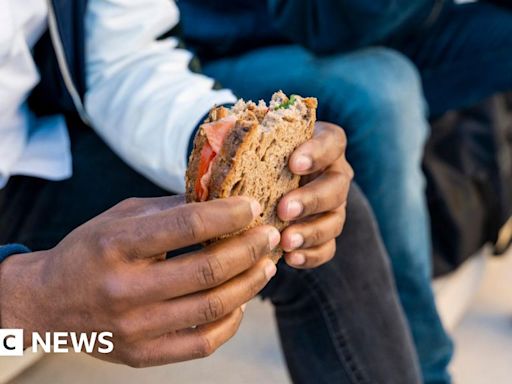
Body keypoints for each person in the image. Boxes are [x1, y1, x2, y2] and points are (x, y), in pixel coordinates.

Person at [0, 0, 421, 382]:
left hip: (21, 161)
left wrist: (224, 147)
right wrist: (21, 303)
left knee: (306, 213)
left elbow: (124, 57)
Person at [177, 1, 512, 383]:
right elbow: (325, 24)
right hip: (241, 43)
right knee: (385, 91)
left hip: (385, 25)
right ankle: (425, 368)